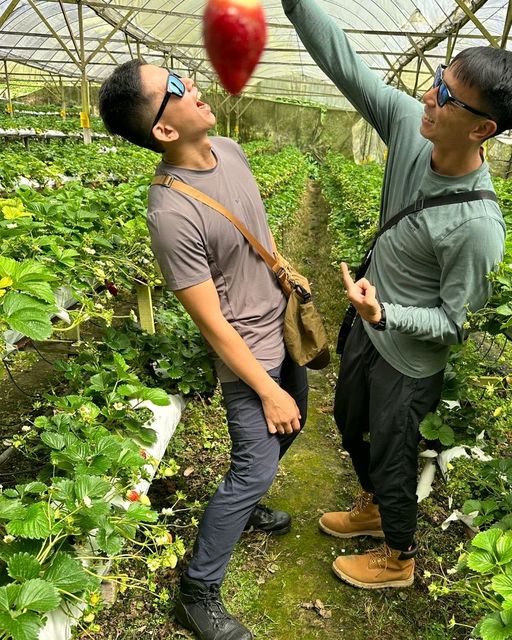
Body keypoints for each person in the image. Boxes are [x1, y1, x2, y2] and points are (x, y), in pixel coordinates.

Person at [282, 0, 512, 589]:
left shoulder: (476, 226)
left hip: (409, 359)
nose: (428, 98)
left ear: (481, 128)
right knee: (348, 420)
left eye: (446, 97)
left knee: (394, 452)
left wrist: (387, 311)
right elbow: (348, 65)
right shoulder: (411, 131)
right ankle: (371, 507)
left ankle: (399, 557)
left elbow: (453, 323)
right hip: (369, 329)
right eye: (436, 84)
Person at [99, 60, 308, 640]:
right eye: (175, 88)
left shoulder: (230, 150)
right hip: (249, 351)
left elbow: (256, 235)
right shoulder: (172, 213)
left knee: (297, 424)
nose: (192, 86)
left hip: (281, 323)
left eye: (183, 75)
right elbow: (212, 324)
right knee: (253, 466)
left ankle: (245, 509)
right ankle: (197, 591)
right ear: (163, 130)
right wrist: (265, 389)